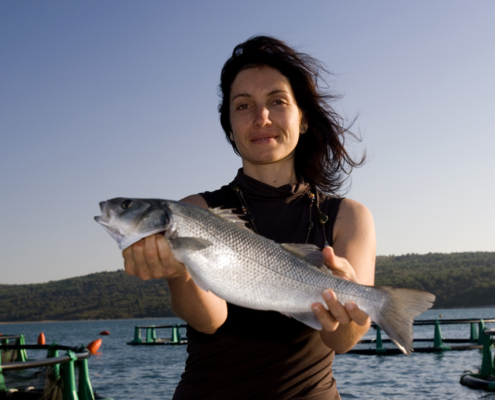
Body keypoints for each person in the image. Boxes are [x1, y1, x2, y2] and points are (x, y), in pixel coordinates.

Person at [123, 35, 376, 399]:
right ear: (229, 126)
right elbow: (210, 321)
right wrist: (179, 274)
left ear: (302, 118)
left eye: (277, 101)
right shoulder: (195, 210)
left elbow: (341, 341)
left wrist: (356, 309)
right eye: (243, 106)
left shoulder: (347, 216)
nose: (261, 118)